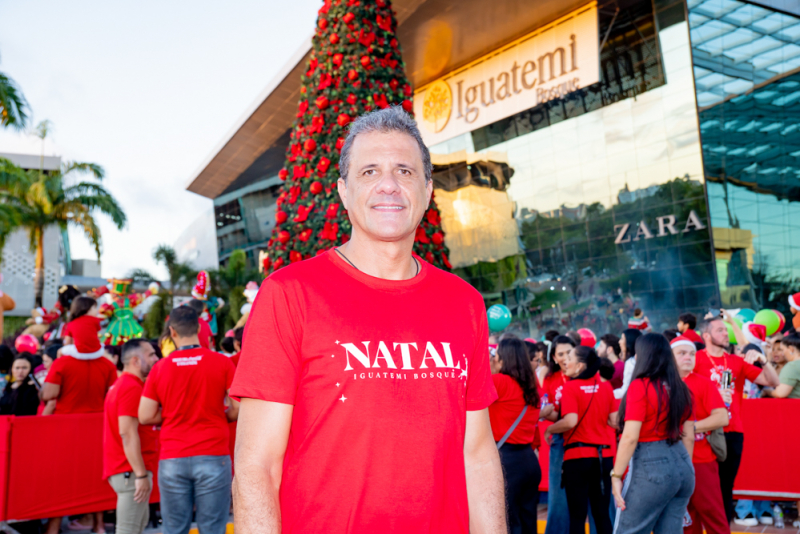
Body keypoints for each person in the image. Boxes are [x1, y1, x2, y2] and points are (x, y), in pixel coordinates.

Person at [231, 107, 504, 533]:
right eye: (370, 171)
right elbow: (256, 467)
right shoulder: (289, 295)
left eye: (405, 171)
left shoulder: (464, 303)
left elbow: (479, 453)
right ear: (343, 190)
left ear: (428, 190)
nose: (389, 185)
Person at [138, 306, 238, 534]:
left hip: (173, 456)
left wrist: (173, 414)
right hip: (213, 454)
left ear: (172, 331)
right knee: (213, 528)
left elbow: (145, 415)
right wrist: (220, 416)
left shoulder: (160, 368)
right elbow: (237, 408)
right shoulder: (222, 362)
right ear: (199, 327)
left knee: (175, 529)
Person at [695, 313, 780, 522]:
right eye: (720, 330)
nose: (726, 333)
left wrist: (764, 360)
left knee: (726, 486)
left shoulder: (736, 361)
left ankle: (723, 526)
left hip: (733, 431)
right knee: (703, 486)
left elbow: (773, 382)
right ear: (706, 335)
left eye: (726, 329)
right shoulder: (695, 360)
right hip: (703, 432)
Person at [612, 333, 695, 533]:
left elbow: (630, 437)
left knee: (628, 529)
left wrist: (616, 475)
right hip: (682, 463)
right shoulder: (681, 387)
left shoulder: (640, 386)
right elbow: (689, 435)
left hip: (652, 464)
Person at [42, 322, 118, 534]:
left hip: (65, 429)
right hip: (97, 428)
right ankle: (99, 525)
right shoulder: (107, 364)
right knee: (96, 476)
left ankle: (54, 526)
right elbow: (112, 395)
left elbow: (48, 394)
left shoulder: (62, 363)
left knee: (60, 478)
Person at [545, 346, 617, 534]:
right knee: (602, 514)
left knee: (577, 515)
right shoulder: (605, 387)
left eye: (569, 358)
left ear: (580, 366)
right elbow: (615, 421)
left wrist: (550, 430)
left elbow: (570, 421)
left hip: (577, 458)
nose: (565, 362)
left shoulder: (570, 387)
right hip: (603, 457)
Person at [670, 335, 730, 534]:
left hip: (702, 461)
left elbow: (722, 417)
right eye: (682, 353)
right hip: (670, 461)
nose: (688, 357)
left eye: (692, 354)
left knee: (714, 516)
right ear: (670, 357)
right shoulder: (661, 384)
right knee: (685, 520)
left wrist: (690, 428)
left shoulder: (703, 383)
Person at [103, 339, 160, 534]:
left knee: (134, 528)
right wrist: (141, 474)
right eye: (151, 354)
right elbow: (127, 433)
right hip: (130, 471)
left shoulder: (123, 385)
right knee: (128, 530)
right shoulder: (130, 387)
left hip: (129, 471)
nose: (156, 358)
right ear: (135, 360)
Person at [489, 336, 542, 534]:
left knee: (509, 523)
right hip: (528, 460)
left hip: (506, 462)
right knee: (528, 522)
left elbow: (471, 391)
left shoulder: (500, 382)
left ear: (503, 359)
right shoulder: (531, 387)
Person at [541, 335, 576, 534]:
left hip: (586, 439)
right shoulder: (550, 379)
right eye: (560, 354)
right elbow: (550, 410)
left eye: (569, 352)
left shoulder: (584, 373)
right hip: (561, 440)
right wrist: (551, 416)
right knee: (558, 495)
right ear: (553, 357)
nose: (565, 357)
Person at [770, 334, 800, 399]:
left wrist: (767, 392)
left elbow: (780, 393)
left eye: (782, 349)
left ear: (791, 349)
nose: (783, 353)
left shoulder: (792, 366)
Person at [615, 329, 642, 399]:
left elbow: (625, 391)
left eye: (622, 339)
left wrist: (607, 393)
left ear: (629, 342)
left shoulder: (630, 363)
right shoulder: (639, 360)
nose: (619, 341)